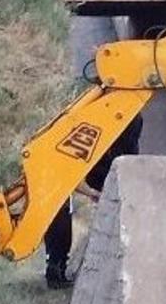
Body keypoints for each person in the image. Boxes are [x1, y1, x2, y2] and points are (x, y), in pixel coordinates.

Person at [43, 115, 143, 289]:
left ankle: (57, 265)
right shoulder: (90, 126)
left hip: (102, 173)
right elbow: (68, 170)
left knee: (61, 208)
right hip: (90, 173)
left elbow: (129, 155)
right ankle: (56, 266)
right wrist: (91, 192)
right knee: (60, 209)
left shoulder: (128, 121)